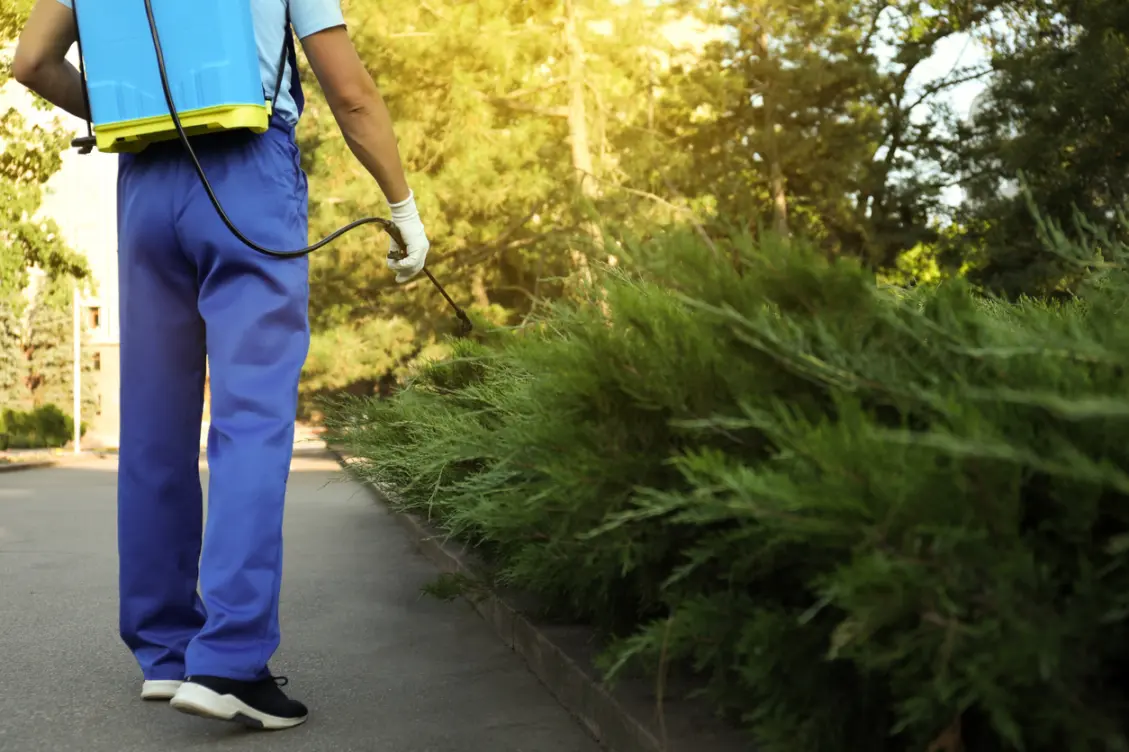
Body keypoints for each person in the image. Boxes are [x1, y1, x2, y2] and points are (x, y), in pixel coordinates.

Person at [13, 0, 428, 731]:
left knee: (151, 429)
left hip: (145, 181)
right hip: (244, 172)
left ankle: (166, 652)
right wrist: (403, 208)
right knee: (252, 425)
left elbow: (31, 63)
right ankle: (229, 664)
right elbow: (351, 92)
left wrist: (111, 110)